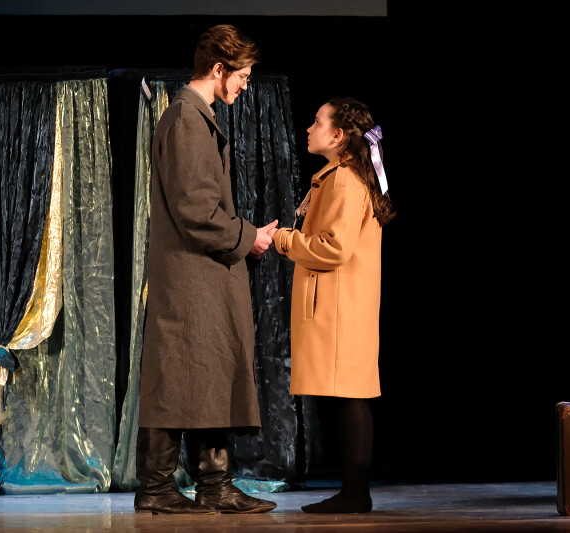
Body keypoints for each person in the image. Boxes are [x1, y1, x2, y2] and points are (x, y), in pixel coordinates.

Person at [134, 24, 279, 514]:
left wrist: (245, 236)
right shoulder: (185, 120)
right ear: (219, 69)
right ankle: (157, 488)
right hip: (190, 275)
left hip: (203, 273)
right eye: (242, 76)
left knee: (206, 376)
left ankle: (214, 484)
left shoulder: (197, 117)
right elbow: (196, 210)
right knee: (179, 375)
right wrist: (248, 236)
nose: (244, 86)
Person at [269, 98, 394, 513]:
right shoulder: (343, 176)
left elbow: (333, 248)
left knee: (351, 397)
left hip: (341, 306)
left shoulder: (344, 180)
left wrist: (284, 240)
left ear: (338, 135)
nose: (309, 128)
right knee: (349, 396)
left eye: (317, 122)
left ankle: (356, 493)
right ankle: (354, 492)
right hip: (346, 304)